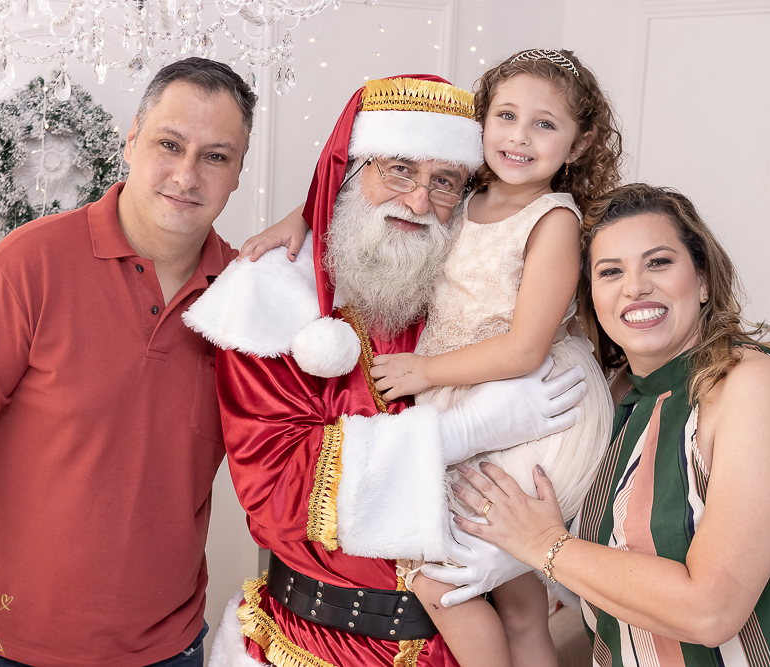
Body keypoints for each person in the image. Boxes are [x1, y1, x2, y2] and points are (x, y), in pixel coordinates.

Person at [185, 75, 587, 667]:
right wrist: (463, 431)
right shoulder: (272, 292)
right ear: (352, 170)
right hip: (317, 645)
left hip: (459, 642)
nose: (419, 202)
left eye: (444, 181)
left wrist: (521, 550)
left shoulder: (456, 271)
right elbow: (276, 490)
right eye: (398, 170)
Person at [0, 58, 256, 667]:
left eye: (216, 157)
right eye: (168, 144)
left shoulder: (252, 300)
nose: (186, 174)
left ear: (237, 173)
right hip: (4, 647)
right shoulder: (28, 266)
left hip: (170, 649)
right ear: (131, 141)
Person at [451, 183, 770, 665]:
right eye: (610, 272)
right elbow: (609, 598)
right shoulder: (609, 401)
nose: (635, 286)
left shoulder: (752, 386)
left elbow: (711, 611)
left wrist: (543, 543)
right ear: (591, 299)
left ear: (703, 279)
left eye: (659, 262)